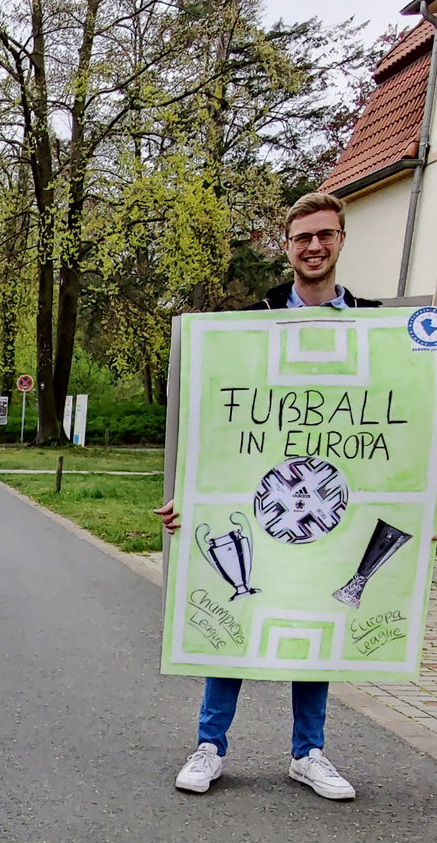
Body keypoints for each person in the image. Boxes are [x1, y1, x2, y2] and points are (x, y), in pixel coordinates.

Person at [155, 192, 379, 803]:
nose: (314, 246)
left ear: (340, 240)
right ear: (287, 244)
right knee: (235, 613)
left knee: (316, 615)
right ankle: (210, 745)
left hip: (329, 499)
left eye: (325, 235)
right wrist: (187, 497)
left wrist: (414, 514)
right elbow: (215, 423)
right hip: (262, 495)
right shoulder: (247, 328)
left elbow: (397, 427)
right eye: (303, 236)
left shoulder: (373, 328)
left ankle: (308, 753)